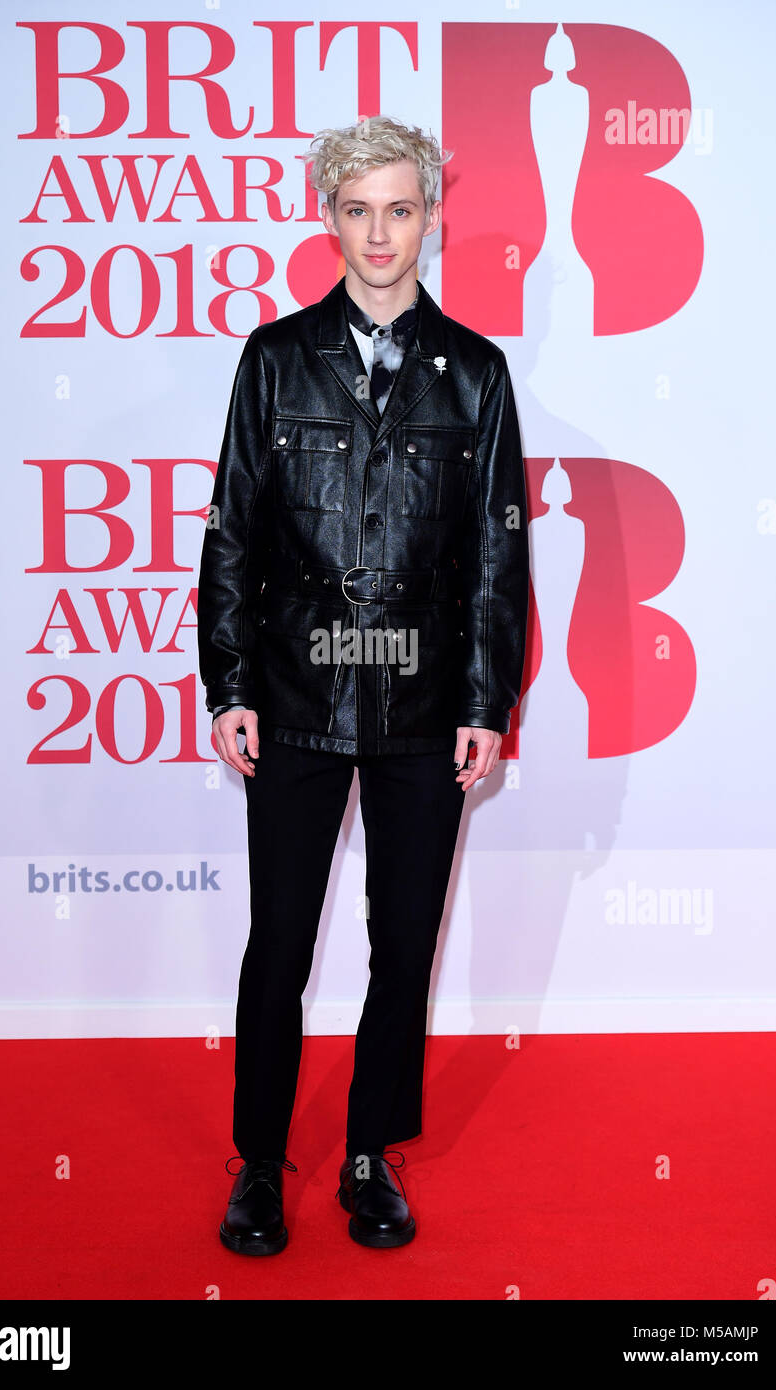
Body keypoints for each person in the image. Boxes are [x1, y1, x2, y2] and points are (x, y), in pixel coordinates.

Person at [197, 115, 530, 1254]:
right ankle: (255, 1163)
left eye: (401, 207)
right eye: (358, 208)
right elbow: (232, 532)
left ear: (430, 216)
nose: (379, 232)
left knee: (404, 943)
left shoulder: (476, 374)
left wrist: (489, 703)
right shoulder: (274, 358)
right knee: (278, 939)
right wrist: (228, 680)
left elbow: (497, 553)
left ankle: (367, 1155)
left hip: (426, 705)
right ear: (327, 216)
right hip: (292, 692)